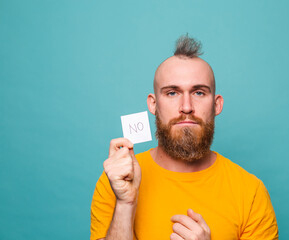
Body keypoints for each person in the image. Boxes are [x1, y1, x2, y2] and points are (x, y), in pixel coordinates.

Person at [90, 35, 278, 240]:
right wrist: (125, 204)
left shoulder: (250, 192)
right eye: (172, 93)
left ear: (217, 105)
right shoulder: (117, 180)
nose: (186, 107)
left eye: (198, 92)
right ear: (153, 104)